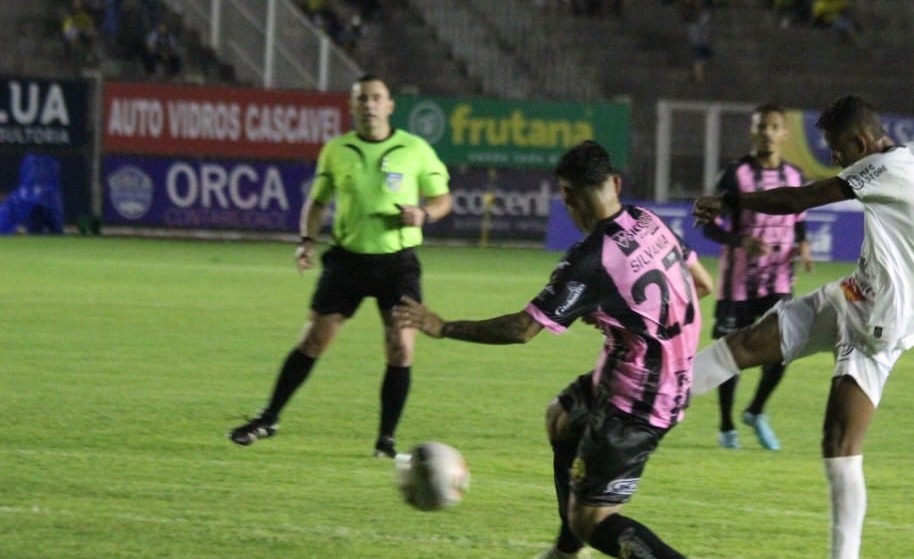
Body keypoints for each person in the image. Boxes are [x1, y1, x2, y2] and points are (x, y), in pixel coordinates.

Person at [689, 95, 914, 559]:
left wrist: (729, 200)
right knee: (746, 344)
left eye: (836, 147)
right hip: (852, 295)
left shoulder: (881, 169)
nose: (833, 157)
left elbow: (799, 199)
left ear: (860, 141)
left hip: (879, 325)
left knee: (839, 443)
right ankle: (650, 397)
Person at [393, 141, 714, 559]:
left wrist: (444, 326)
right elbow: (702, 285)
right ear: (615, 183)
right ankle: (566, 551)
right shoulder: (648, 219)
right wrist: (623, 313)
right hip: (653, 376)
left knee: (594, 521)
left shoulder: (589, 258)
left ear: (566, 195)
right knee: (561, 418)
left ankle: (582, 537)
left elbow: (522, 329)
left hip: (637, 400)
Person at [228, 75, 453, 457]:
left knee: (400, 347)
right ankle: (269, 418)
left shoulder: (414, 149)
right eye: (362, 98)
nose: (369, 105)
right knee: (313, 340)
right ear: (352, 106)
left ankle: (386, 440)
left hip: (397, 264)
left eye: (376, 98)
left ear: (390, 105)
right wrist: (306, 242)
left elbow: (443, 198)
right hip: (347, 261)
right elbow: (317, 203)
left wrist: (423, 213)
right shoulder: (336, 150)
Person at [702, 103, 812, 451]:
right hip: (737, 286)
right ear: (752, 132)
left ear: (784, 134)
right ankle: (726, 426)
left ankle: (756, 411)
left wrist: (804, 244)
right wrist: (740, 241)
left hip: (778, 282)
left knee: (783, 349)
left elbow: (799, 219)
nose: (767, 132)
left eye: (774, 126)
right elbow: (706, 222)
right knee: (729, 355)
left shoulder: (795, 176)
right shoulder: (735, 175)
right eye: (761, 126)